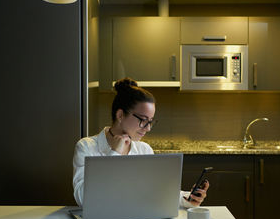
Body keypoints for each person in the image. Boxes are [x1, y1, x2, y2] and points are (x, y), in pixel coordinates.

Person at [73, 77, 209, 208]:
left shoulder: (144, 150)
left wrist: (188, 199)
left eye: (150, 121)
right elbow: (83, 200)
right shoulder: (86, 147)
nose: (148, 128)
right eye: (143, 120)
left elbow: (155, 192)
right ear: (120, 115)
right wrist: (114, 153)